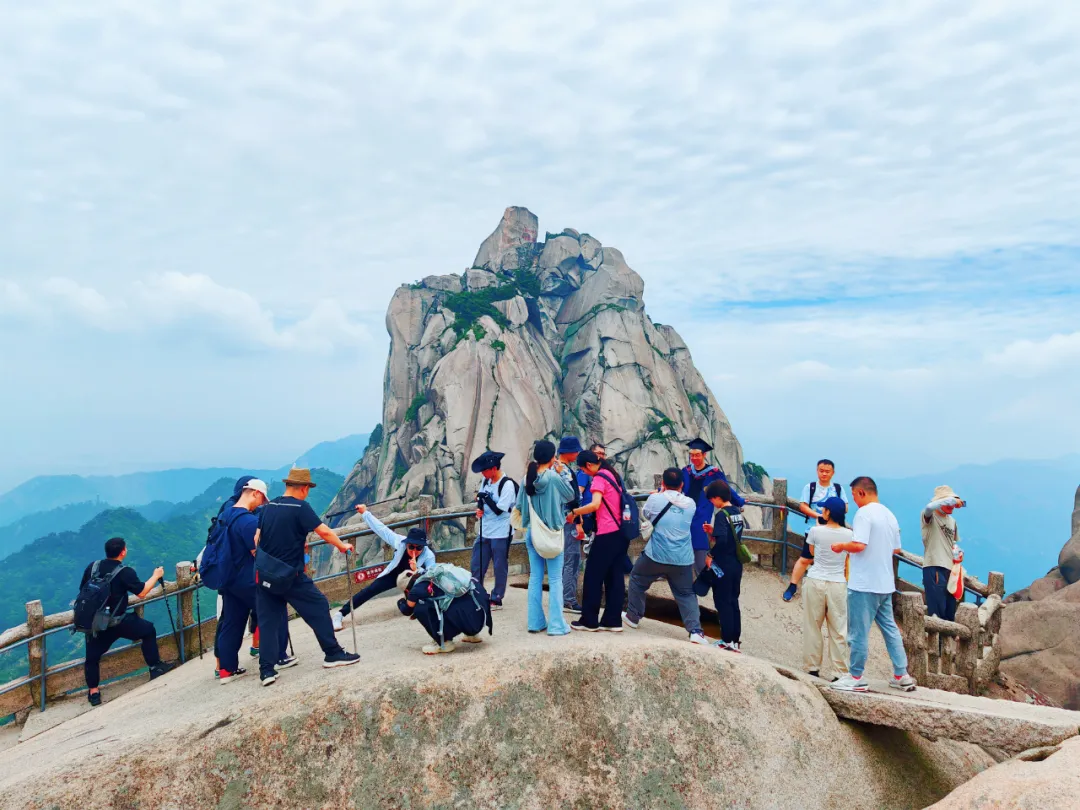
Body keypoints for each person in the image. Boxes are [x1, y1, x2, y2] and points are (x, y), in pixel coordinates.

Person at [254, 468, 359, 686]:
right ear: (303, 488)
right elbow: (325, 532)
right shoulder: (300, 507)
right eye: (308, 490)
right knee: (319, 606)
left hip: (264, 573)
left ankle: (266, 671)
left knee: (268, 621)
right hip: (289, 575)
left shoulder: (268, 506)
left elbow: (257, 538)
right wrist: (342, 546)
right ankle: (333, 653)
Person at [830, 477, 917, 693]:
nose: (854, 501)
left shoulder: (864, 514)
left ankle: (856, 676)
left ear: (861, 493)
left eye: (853, 495)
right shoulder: (890, 515)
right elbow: (896, 550)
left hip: (864, 584)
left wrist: (842, 546)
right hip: (885, 584)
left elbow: (859, 544)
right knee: (890, 630)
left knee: (858, 632)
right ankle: (901, 674)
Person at [215, 479, 293, 683]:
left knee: (231, 622)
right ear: (255, 493)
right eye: (262, 499)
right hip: (247, 578)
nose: (261, 504)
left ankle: (226, 670)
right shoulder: (247, 521)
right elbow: (257, 552)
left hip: (227, 578)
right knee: (273, 610)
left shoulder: (225, 516)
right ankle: (279, 657)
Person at [81, 537, 175, 706]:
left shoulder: (92, 567)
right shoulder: (124, 572)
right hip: (118, 621)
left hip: (96, 624)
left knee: (92, 658)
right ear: (123, 552)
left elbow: (83, 590)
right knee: (148, 630)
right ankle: (155, 667)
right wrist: (156, 575)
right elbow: (142, 592)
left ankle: (93, 692)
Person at [621, 467, 708, 645]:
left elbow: (645, 514)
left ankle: (633, 616)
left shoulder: (655, 499)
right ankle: (695, 632)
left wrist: (658, 494)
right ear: (682, 484)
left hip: (656, 555)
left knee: (637, 578)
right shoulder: (690, 503)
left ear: (663, 483)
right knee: (686, 593)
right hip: (683, 558)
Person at [332, 505, 436, 630]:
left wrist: (417, 570)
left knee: (421, 589)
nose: (415, 550)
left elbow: (431, 574)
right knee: (369, 591)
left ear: (423, 547)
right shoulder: (400, 542)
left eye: (419, 548)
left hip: (414, 578)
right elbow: (381, 529)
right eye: (411, 547)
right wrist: (365, 513)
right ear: (406, 543)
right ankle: (340, 614)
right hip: (394, 574)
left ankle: (414, 607)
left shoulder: (428, 555)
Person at [515, 440, 577, 635]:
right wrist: (561, 472)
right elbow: (571, 496)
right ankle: (556, 625)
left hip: (533, 534)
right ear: (552, 457)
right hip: (551, 535)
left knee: (535, 577)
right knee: (556, 579)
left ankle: (535, 622)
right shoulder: (552, 477)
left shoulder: (527, 478)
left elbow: (520, 507)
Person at [567, 451, 628, 632]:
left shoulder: (599, 478)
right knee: (614, 577)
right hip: (620, 534)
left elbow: (595, 504)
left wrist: (575, 513)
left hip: (607, 534)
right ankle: (612, 620)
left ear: (588, 465)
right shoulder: (612, 475)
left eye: (583, 470)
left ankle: (589, 620)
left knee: (592, 576)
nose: (584, 473)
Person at [784, 460, 849, 602]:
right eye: (821, 470)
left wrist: (830, 515)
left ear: (833, 473)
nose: (824, 473)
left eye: (827, 471)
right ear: (817, 470)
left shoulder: (838, 489)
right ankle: (793, 586)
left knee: (837, 560)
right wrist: (819, 515)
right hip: (814, 530)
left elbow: (845, 507)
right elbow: (803, 506)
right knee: (806, 559)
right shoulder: (811, 487)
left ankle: (836, 590)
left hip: (835, 531)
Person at [802, 496, 851, 679]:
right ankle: (840, 672)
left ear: (828, 512)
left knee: (813, 625)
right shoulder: (849, 535)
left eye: (824, 509)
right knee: (838, 629)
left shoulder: (815, 531)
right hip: (838, 583)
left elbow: (812, 553)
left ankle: (812, 668)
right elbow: (847, 558)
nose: (822, 511)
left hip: (816, 579)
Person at [682, 438, 744, 576]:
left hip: (701, 514)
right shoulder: (686, 471)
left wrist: (739, 501)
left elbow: (725, 488)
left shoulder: (713, 473)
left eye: (697, 455)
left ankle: (706, 577)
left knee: (699, 546)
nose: (694, 458)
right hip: (685, 513)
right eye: (691, 455)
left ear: (704, 455)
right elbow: (675, 486)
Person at [396, 570, 490, 655]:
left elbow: (407, 610)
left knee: (420, 607)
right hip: (479, 619)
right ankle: (472, 635)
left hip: (469, 622)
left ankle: (444, 643)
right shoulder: (433, 573)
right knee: (453, 599)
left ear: (406, 590)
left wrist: (400, 602)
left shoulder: (415, 590)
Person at [469, 450, 518, 611]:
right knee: (477, 563)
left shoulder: (507, 485)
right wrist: (479, 509)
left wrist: (485, 497)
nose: (483, 473)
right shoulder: (486, 480)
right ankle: (476, 593)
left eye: (485, 470)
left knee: (499, 565)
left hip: (501, 532)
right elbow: (481, 501)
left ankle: (497, 597)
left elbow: (500, 510)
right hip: (485, 530)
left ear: (494, 468)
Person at [703, 480, 746, 652]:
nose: (712, 503)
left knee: (722, 602)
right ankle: (735, 640)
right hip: (736, 564)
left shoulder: (722, 514)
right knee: (733, 601)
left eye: (712, 500)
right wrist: (712, 531)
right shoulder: (736, 512)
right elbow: (731, 535)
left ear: (717, 498)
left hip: (724, 565)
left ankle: (726, 640)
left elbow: (722, 542)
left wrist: (710, 555)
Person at [921, 485, 965, 621]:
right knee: (936, 613)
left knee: (949, 612)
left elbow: (953, 543)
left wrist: (957, 552)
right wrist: (950, 500)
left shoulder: (952, 521)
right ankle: (936, 643)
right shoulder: (929, 516)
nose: (952, 506)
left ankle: (946, 643)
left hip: (950, 570)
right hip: (934, 567)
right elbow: (929, 507)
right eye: (949, 503)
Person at [556, 436, 585, 614]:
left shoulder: (555, 469)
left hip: (559, 519)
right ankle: (569, 599)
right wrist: (578, 521)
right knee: (572, 559)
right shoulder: (564, 471)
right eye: (575, 451)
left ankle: (563, 597)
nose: (577, 454)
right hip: (569, 520)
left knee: (564, 560)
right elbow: (572, 499)